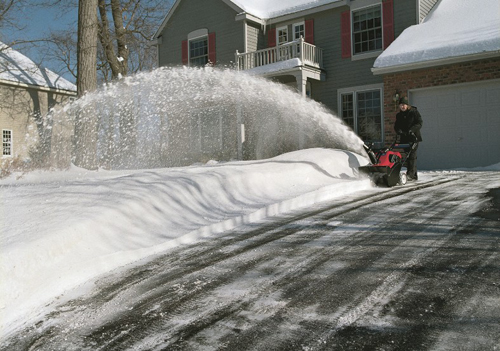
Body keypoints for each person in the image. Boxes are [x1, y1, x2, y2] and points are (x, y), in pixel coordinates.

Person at [394, 96, 423, 181]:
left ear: (407, 105)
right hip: (404, 138)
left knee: (412, 156)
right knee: (408, 156)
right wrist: (398, 131)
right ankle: (414, 176)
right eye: (401, 105)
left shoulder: (414, 112)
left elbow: (420, 123)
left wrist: (412, 130)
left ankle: (410, 175)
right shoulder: (399, 115)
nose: (402, 107)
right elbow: (396, 126)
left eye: (404, 105)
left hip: (414, 138)